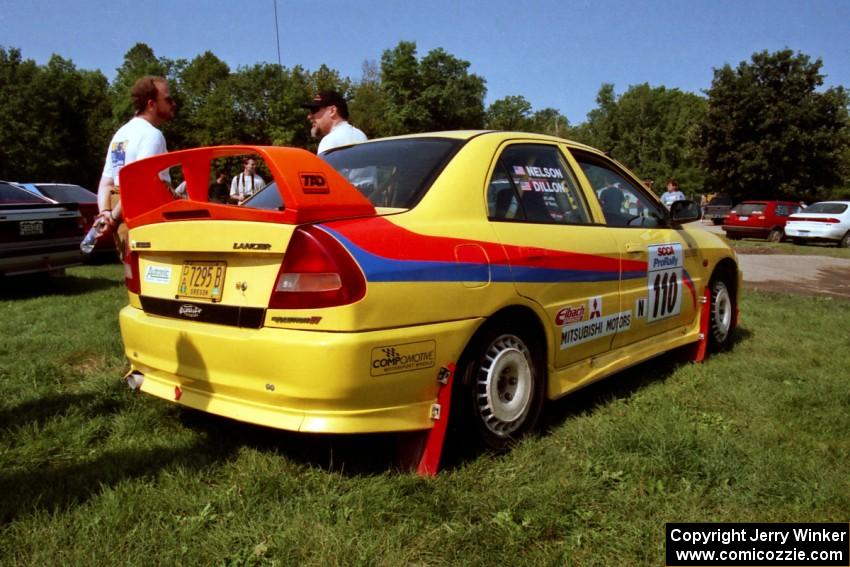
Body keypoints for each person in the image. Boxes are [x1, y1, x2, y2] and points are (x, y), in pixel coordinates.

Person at [96, 75, 176, 255]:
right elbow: (140, 185)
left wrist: (105, 214)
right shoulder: (152, 135)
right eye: (168, 99)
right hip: (143, 217)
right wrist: (113, 219)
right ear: (151, 104)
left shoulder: (121, 134)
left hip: (122, 215)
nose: (173, 103)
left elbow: (106, 183)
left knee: (134, 278)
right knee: (155, 278)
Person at [300, 90, 367, 155]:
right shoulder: (361, 136)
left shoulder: (329, 141)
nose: (309, 116)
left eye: (314, 110)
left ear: (332, 111)